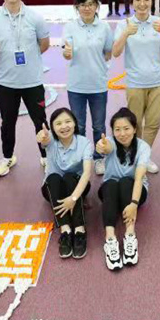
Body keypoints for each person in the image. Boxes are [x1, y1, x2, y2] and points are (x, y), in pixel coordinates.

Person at [0, 0, 51, 177]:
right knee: (7, 124)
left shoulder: (35, 17)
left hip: (32, 81)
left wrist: (30, 58)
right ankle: (7, 157)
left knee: (40, 122)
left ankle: (47, 157)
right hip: (6, 83)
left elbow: (44, 44)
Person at [112, 0, 160, 173]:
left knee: (153, 123)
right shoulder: (124, 24)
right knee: (135, 123)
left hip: (159, 82)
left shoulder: (159, 22)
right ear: (132, 2)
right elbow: (115, 52)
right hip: (135, 82)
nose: (142, 4)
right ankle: (133, 156)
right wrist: (125, 33)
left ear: (152, 1)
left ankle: (144, 157)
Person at [63, 0, 114, 176]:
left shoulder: (104, 27)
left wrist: (97, 65)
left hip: (98, 85)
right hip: (76, 85)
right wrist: (67, 53)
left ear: (97, 6)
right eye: (83, 4)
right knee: (79, 126)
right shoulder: (70, 27)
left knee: (99, 126)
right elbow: (66, 51)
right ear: (77, 7)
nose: (87, 8)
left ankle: (99, 158)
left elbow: (108, 51)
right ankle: (81, 158)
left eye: (91, 4)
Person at [96, 107, 151, 270]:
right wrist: (101, 147)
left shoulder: (143, 147)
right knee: (111, 183)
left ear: (134, 129)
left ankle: (130, 235)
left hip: (135, 192)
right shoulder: (110, 142)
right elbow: (106, 148)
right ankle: (110, 239)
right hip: (111, 192)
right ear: (112, 131)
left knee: (127, 181)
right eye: (117, 130)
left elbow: (139, 178)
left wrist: (134, 204)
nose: (122, 134)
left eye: (126, 128)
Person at [37, 109, 94, 259]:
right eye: (58, 123)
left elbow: (87, 174)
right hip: (52, 188)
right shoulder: (50, 139)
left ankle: (79, 229)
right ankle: (65, 230)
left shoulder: (84, 143)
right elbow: (43, 139)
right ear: (52, 127)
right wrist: (42, 136)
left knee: (69, 177)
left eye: (68, 121)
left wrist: (73, 198)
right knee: (54, 177)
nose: (64, 126)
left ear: (75, 123)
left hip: (77, 187)